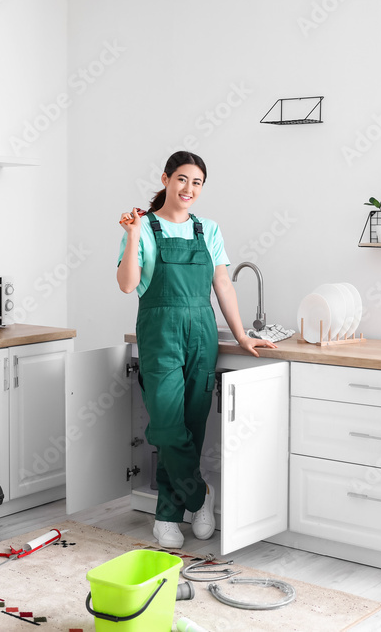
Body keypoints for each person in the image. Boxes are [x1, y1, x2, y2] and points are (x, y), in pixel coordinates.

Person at [116, 150, 277, 549]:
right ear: (166, 179)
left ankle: (167, 517)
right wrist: (133, 235)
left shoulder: (209, 229)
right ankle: (200, 496)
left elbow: (223, 284)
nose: (189, 189)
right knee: (168, 426)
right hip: (159, 333)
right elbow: (126, 284)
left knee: (194, 424)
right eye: (182, 179)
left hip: (201, 332)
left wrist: (241, 336)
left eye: (197, 182)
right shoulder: (143, 226)